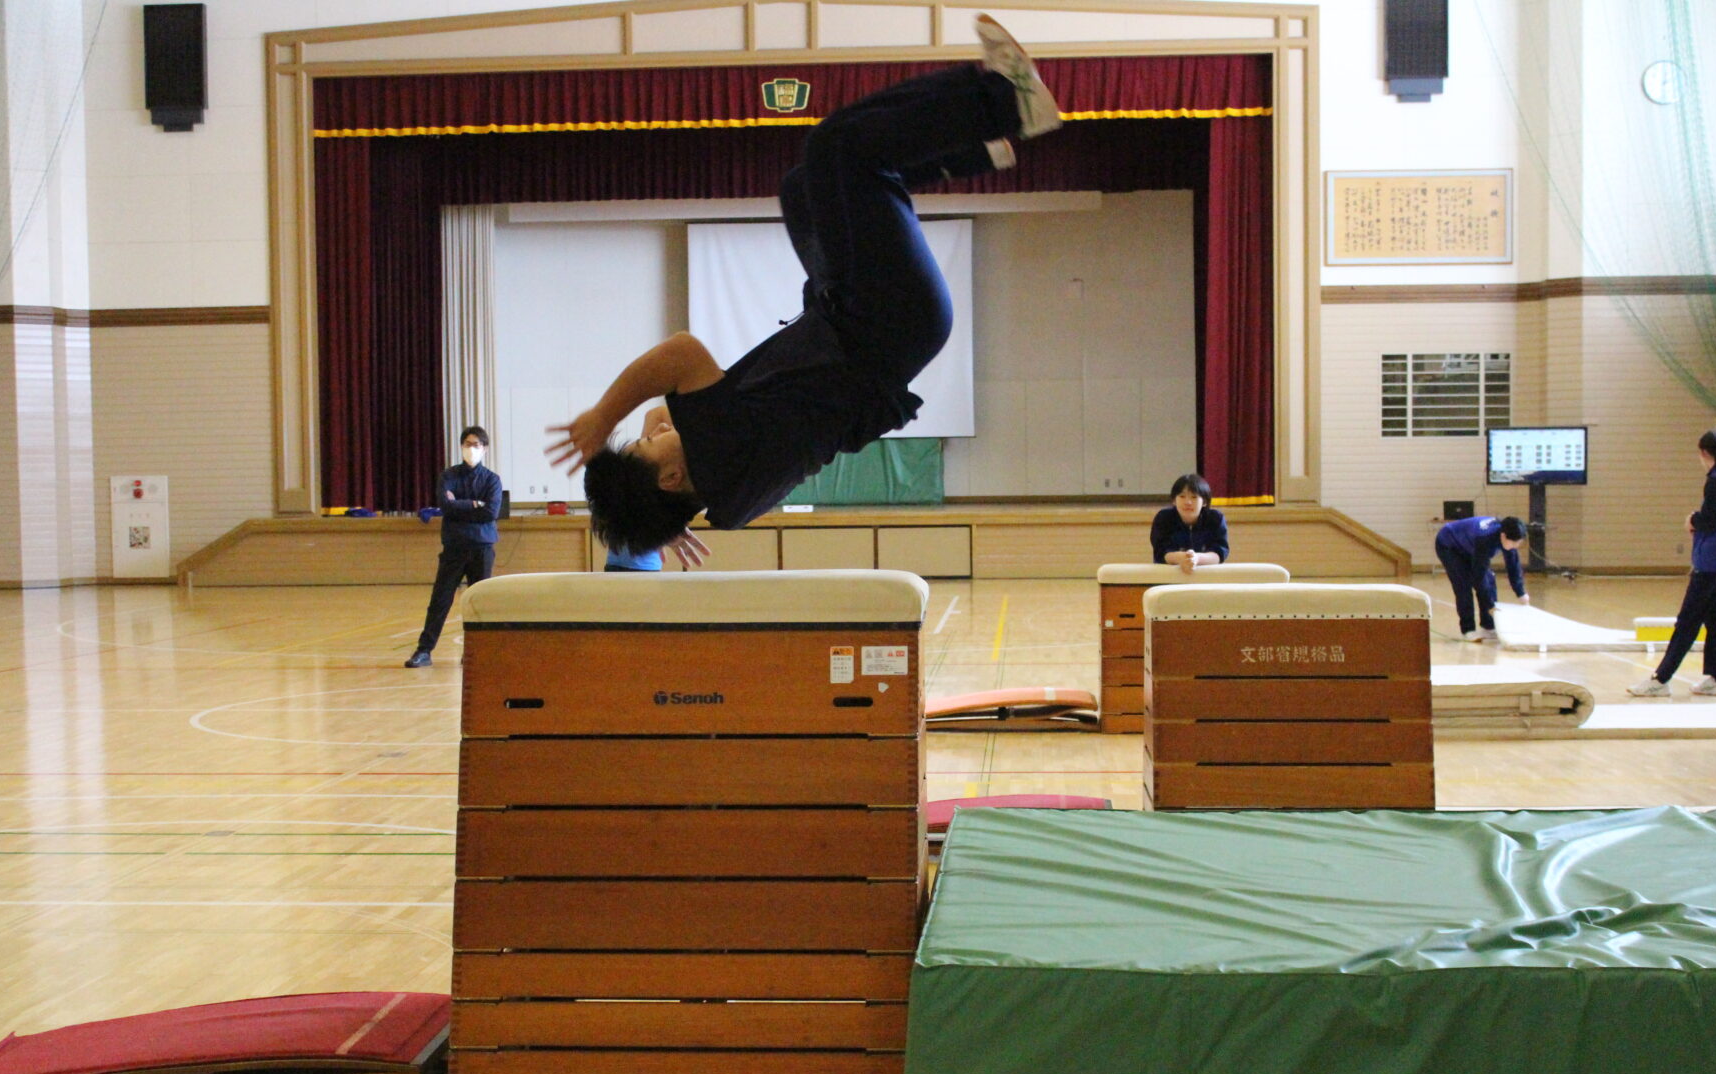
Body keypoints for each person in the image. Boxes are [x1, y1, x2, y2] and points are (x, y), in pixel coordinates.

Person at [546, 16, 1062, 551]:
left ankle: (971, 154)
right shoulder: (716, 448)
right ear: (674, 477)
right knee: (835, 150)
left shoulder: (726, 500)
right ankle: (1006, 102)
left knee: (803, 191)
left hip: (867, 323)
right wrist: (604, 417)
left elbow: (661, 417)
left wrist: (663, 516)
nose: (649, 430)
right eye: (642, 449)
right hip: (886, 318)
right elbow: (678, 355)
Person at [1629, 430, 1716, 697]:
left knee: (1687, 622)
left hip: (1710, 562)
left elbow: (1711, 521)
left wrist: (1692, 520)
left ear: (1704, 453)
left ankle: (1660, 679)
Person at [405, 427, 502, 668]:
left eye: (477, 445)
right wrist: (474, 504)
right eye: (468, 444)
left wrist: (460, 504)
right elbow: (446, 507)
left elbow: (491, 512)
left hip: (482, 548)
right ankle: (424, 650)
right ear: (461, 447)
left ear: (485, 449)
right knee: (441, 599)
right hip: (454, 547)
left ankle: (475, 651)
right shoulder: (448, 476)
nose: (472, 449)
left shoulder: (492, 480)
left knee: (479, 602)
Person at [1434, 513, 1529, 641]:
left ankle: (1488, 627)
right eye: (1514, 543)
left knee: (1489, 581)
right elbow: (1478, 577)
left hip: (1469, 546)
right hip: (1449, 546)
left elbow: (1513, 566)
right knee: (1463, 584)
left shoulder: (1508, 535)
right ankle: (1468, 630)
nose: (1516, 546)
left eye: (1518, 543)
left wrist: (1521, 593)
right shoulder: (1485, 539)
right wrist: (1491, 605)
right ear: (1503, 536)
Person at [1149, 473, 1228, 571]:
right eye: (1182, 496)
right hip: (1169, 575)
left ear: (1204, 502)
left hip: (1206, 574)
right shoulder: (1163, 518)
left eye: (1194, 497)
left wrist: (1197, 558)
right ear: (1174, 500)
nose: (1188, 502)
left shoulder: (1215, 518)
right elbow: (1161, 552)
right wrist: (1182, 558)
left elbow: (1219, 553)